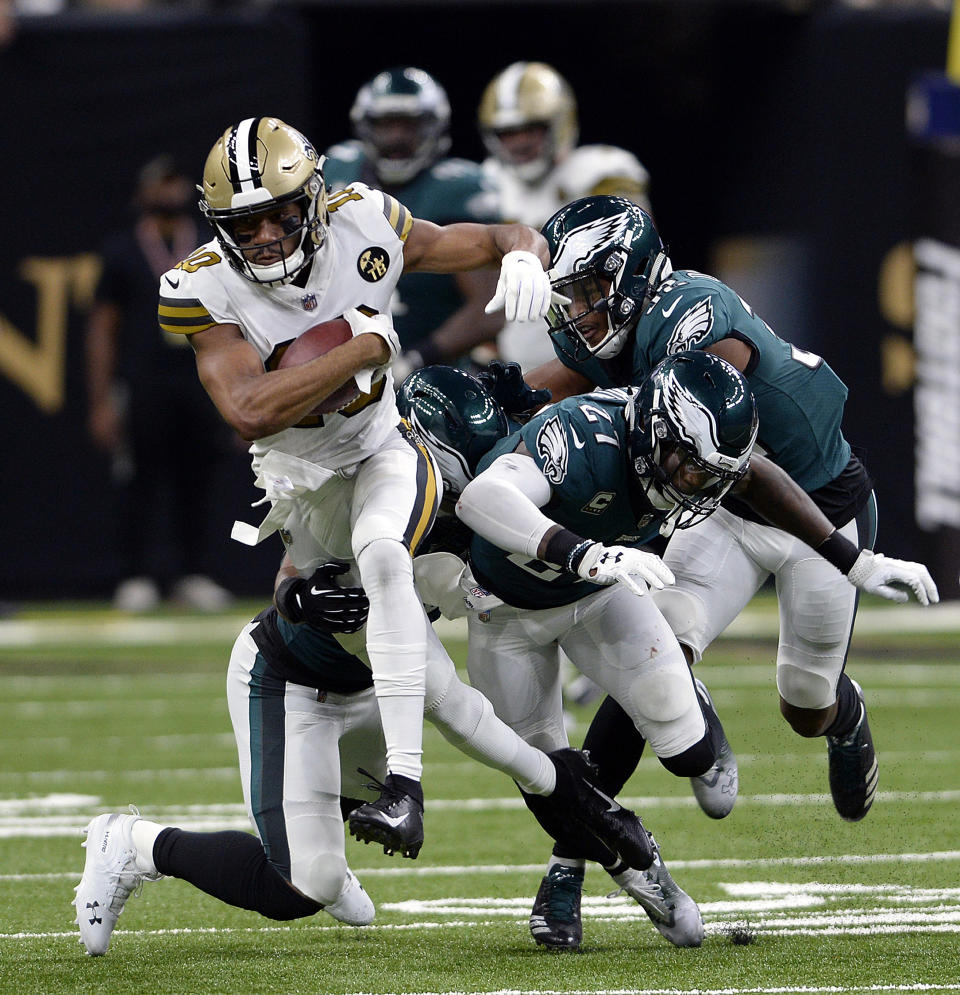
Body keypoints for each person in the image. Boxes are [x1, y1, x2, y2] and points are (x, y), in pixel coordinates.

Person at [155, 116, 556, 862]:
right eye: (248, 222)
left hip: (383, 446)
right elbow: (249, 410)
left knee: (388, 557)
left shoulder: (365, 220)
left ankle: (414, 782)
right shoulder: (196, 284)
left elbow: (496, 234)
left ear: (313, 198)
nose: (269, 234)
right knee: (325, 608)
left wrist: (525, 253)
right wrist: (366, 345)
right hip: (298, 480)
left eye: (281, 212)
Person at [444, 350, 935, 950]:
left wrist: (853, 561)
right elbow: (481, 500)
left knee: (691, 756)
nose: (696, 485)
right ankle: (643, 877)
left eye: (711, 475)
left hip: (596, 597)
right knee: (550, 780)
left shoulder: (699, 457)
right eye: (691, 468)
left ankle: (701, 735)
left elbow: (751, 477)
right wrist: (585, 553)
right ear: (656, 430)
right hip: (511, 614)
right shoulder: (583, 438)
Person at [524, 194, 939, 833]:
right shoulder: (620, 331)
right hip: (719, 510)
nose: (580, 311)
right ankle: (574, 857)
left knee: (806, 703)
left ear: (630, 272)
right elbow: (549, 387)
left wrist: (852, 558)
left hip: (813, 510)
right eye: (572, 295)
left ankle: (844, 711)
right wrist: (480, 407)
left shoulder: (696, 319)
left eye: (591, 290)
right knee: (655, 651)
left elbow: (734, 462)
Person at [72, 551, 656, 957]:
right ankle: (132, 843)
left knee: (363, 808)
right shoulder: (372, 499)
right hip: (287, 684)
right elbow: (455, 709)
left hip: (374, 690)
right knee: (302, 890)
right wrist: (297, 596)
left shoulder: (461, 509)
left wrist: (553, 776)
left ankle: (319, 839)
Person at [85, 154, 237, 612]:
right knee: (139, 479)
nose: (170, 192)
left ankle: (193, 572)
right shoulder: (122, 251)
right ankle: (136, 574)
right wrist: (100, 398)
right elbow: (103, 327)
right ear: (142, 193)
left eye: (177, 183)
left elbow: (239, 320)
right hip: (143, 381)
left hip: (200, 378)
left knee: (199, 477)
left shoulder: (212, 246)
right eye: (161, 184)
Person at [324, 67, 504, 380]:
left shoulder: (456, 189)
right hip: (337, 366)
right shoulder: (338, 170)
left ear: (434, 126)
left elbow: (490, 308)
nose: (396, 138)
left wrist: (416, 360)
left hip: (431, 377)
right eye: (385, 125)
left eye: (408, 125)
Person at [477, 61, 651, 374]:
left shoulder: (600, 173)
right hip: (517, 358)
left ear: (559, 123)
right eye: (507, 133)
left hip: (602, 352)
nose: (519, 143)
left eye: (530, 129)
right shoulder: (488, 182)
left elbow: (635, 261)